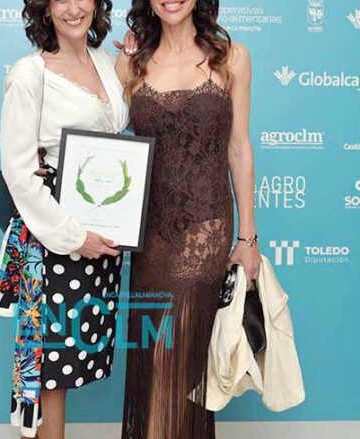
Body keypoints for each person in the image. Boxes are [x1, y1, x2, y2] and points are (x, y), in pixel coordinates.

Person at [115, 0, 261, 437]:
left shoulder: (232, 58)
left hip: (206, 232)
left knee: (175, 360)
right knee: (154, 363)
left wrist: (247, 239)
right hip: (150, 239)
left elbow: (239, 148)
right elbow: (106, 145)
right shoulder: (129, 65)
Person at [0, 0, 129, 438]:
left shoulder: (106, 62)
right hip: (55, 233)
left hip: (101, 228)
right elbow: (19, 173)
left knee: (68, 361)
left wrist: (133, 60)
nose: (74, 8)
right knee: (48, 366)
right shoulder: (29, 75)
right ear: (45, 9)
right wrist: (72, 237)